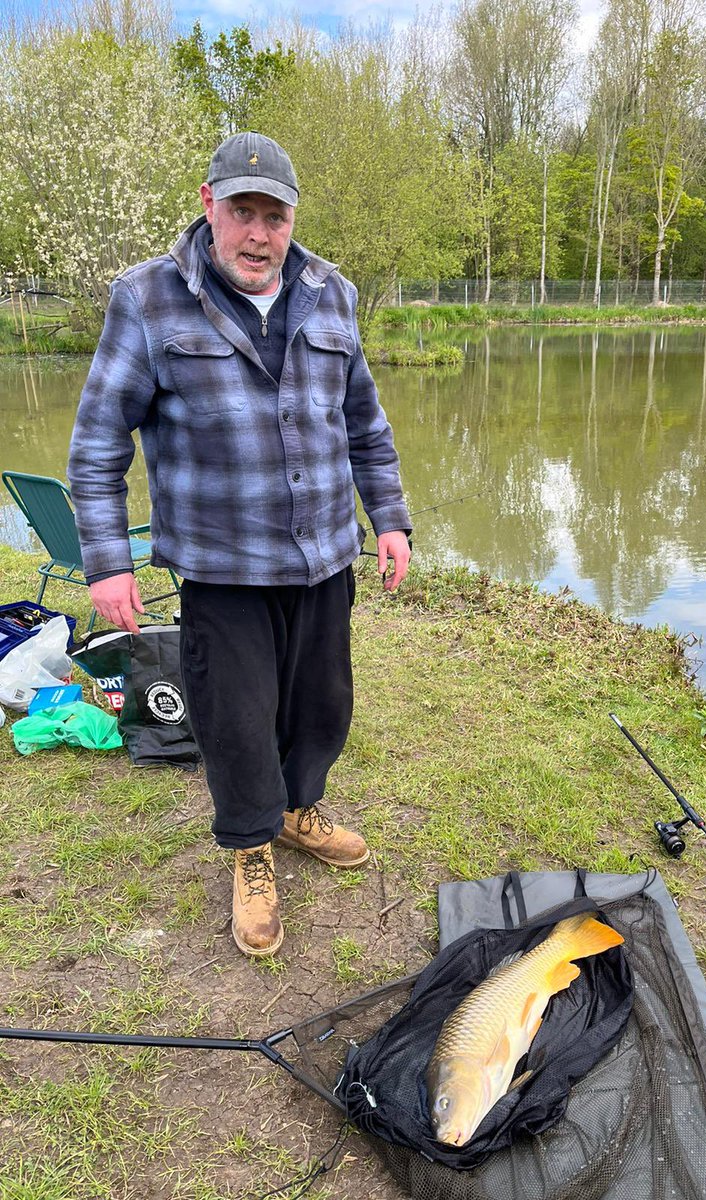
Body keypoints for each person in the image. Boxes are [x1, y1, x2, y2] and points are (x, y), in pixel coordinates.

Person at [68, 131, 411, 957]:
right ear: (208, 205)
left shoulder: (334, 293)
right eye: (242, 212)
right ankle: (252, 845)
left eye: (275, 216)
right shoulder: (146, 300)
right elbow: (98, 441)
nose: (258, 234)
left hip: (325, 551)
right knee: (235, 714)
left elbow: (363, 419)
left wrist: (389, 516)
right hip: (221, 564)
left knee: (320, 701)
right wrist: (109, 562)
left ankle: (298, 808)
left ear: (293, 218)